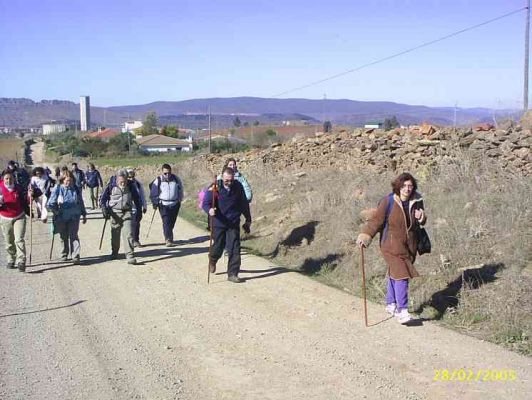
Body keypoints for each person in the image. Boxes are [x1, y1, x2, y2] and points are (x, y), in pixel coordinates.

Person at [356, 172, 427, 324]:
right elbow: (376, 221)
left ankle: (391, 303)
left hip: (409, 246)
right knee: (402, 274)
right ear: (398, 186)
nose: (407, 189)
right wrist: (365, 236)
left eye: (410, 186)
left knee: (396, 272)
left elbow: (420, 221)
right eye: (404, 186)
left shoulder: (417, 200)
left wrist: (422, 217)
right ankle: (402, 310)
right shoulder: (388, 201)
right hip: (390, 244)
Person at [202, 167, 252, 283]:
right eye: (226, 181)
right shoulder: (215, 187)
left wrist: (248, 219)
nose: (229, 183)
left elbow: (244, 203)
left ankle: (233, 273)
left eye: (231, 180)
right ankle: (213, 259)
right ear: (222, 177)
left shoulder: (238, 186)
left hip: (233, 222)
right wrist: (209, 210)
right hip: (219, 222)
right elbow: (205, 203)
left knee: (234, 247)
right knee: (219, 245)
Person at [100, 169, 141, 265]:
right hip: (114, 213)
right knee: (115, 235)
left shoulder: (131, 185)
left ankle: (130, 256)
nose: (123, 184)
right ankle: (114, 253)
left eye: (125, 181)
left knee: (129, 234)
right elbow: (103, 199)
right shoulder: (111, 186)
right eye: (121, 182)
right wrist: (104, 210)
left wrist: (139, 211)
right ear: (117, 179)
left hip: (127, 212)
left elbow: (137, 199)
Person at [47, 172, 87, 264]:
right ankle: (64, 254)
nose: (68, 182)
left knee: (74, 235)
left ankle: (75, 255)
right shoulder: (58, 189)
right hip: (61, 216)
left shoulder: (75, 189)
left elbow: (80, 201)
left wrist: (84, 214)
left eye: (70, 180)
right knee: (63, 236)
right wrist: (55, 211)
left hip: (74, 216)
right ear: (62, 180)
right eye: (66, 180)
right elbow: (51, 202)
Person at [149, 164, 183, 247]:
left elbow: (180, 189)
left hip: (175, 204)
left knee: (172, 222)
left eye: (169, 173)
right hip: (163, 204)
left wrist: (180, 200)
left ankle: (169, 235)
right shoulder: (158, 180)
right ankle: (168, 239)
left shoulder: (176, 179)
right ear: (162, 172)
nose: (167, 175)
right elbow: (153, 192)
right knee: (166, 221)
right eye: (165, 173)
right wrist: (155, 202)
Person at [0, 171, 28, 271]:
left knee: (19, 239)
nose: (9, 180)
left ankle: (21, 261)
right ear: (3, 179)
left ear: (14, 178)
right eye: (6, 178)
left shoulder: (18, 188)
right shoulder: (0, 188)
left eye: (11, 178)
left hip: (19, 216)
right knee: (9, 241)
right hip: (5, 218)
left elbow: (25, 200)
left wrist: (30, 195)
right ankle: (11, 259)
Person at [127, 168, 147, 247]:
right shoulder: (123, 184)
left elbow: (142, 195)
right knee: (129, 225)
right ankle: (129, 241)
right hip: (127, 208)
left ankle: (136, 240)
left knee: (136, 224)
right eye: (129, 177)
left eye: (132, 177)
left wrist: (144, 206)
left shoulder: (138, 184)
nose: (131, 179)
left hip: (137, 207)